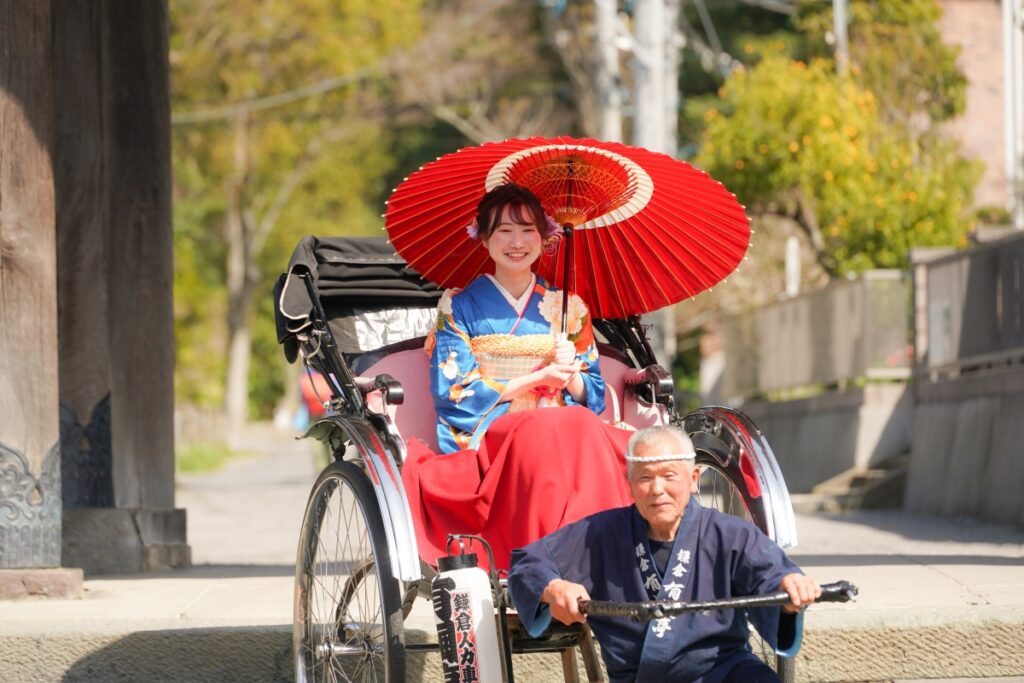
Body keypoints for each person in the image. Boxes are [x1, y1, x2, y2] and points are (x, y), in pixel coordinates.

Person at [401, 183, 635, 571]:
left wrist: (570, 377)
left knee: (608, 434)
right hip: (493, 430)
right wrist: (538, 376)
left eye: (528, 230)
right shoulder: (459, 306)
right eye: (504, 230)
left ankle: (603, 555)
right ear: (485, 239)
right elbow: (455, 393)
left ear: (544, 239)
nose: (517, 241)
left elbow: (593, 396)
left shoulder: (568, 307)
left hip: (566, 426)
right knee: (541, 434)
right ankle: (554, 562)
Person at [507, 425, 821, 683]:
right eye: (644, 477)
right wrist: (553, 587)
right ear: (629, 483)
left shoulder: (730, 533)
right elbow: (528, 563)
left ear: (693, 478)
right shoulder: (599, 534)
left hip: (726, 674)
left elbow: (772, 574)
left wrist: (789, 589)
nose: (657, 489)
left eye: (669, 476)